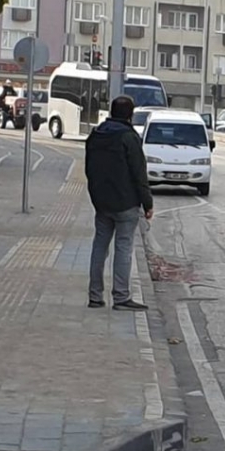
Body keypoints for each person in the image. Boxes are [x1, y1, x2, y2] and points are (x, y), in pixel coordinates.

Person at [85, 95, 154, 310]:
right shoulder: (129, 137)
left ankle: (95, 297)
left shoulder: (95, 135)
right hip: (126, 202)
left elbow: (89, 168)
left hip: (101, 201)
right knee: (123, 248)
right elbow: (139, 173)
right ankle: (121, 297)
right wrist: (147, 203)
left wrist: (96, 194)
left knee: (99, 246)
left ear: (111, 112)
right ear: (130, 115)